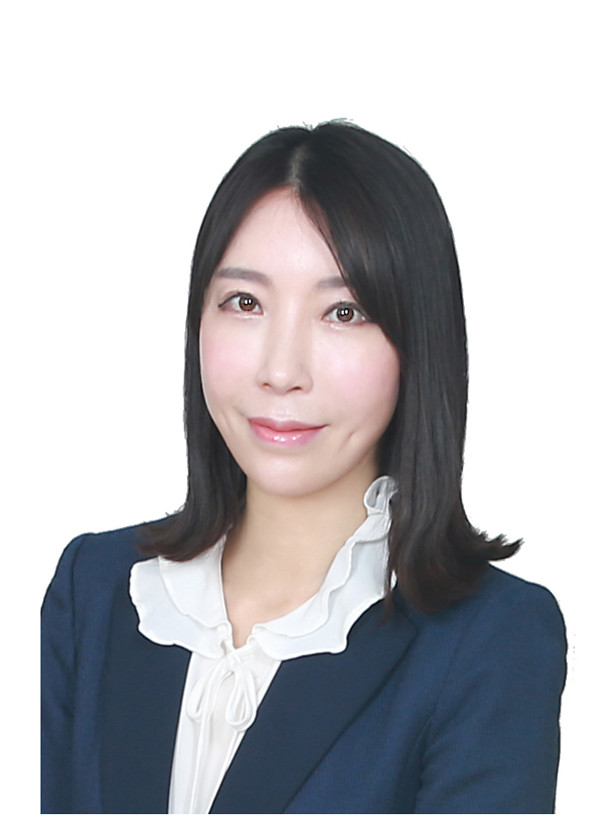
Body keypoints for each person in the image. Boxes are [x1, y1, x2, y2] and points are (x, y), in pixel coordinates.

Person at [41, 121, 567, 814]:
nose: (281, 370)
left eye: (343, 311)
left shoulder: (493, 639)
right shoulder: (94, 589)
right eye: (245, 303)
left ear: (417, 342)